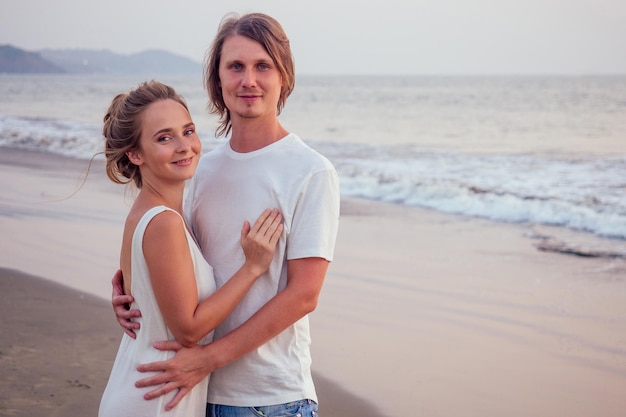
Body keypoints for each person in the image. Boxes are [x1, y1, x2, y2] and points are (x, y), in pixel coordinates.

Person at [112, 13, 340, 417]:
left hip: (271, 398)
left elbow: (304, 294)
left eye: (262, 66)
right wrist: (132, 293)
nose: (248, 80)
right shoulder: (199, 169)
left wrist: (210, 357)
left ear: (283, 76)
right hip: (193, 392)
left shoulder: (310, 171)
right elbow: (178, 261)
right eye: (235, 66)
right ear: (218, 80)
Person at [99, 80, 283, 416]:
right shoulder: (164, 222)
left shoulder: (154, 212)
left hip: (150, 384)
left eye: (188, 131)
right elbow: (189, 329)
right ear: (135, 154)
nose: (185, 146)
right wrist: (253, 268)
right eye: (164, 138)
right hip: (157, 395)